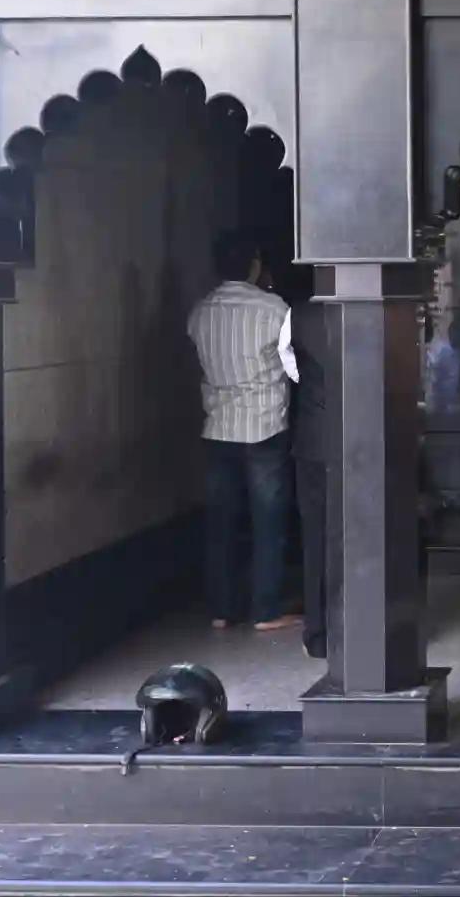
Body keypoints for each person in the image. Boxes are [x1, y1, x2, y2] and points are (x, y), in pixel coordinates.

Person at [187, 231, 301, 633]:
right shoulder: (273, 309)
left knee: (221, 522)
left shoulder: (200, 311)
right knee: (268, 521)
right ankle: (266, 610)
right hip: (265, 426)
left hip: (218, 427)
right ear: (254, 263)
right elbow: (295, 368)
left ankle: (222, 608)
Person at [289, 296, 330, 659]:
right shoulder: (378, 306)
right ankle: (367, 627)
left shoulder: (298, 314)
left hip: (314, 440)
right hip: (366, 444)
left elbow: (293, 371)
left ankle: (318, 635)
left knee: (316, 539)